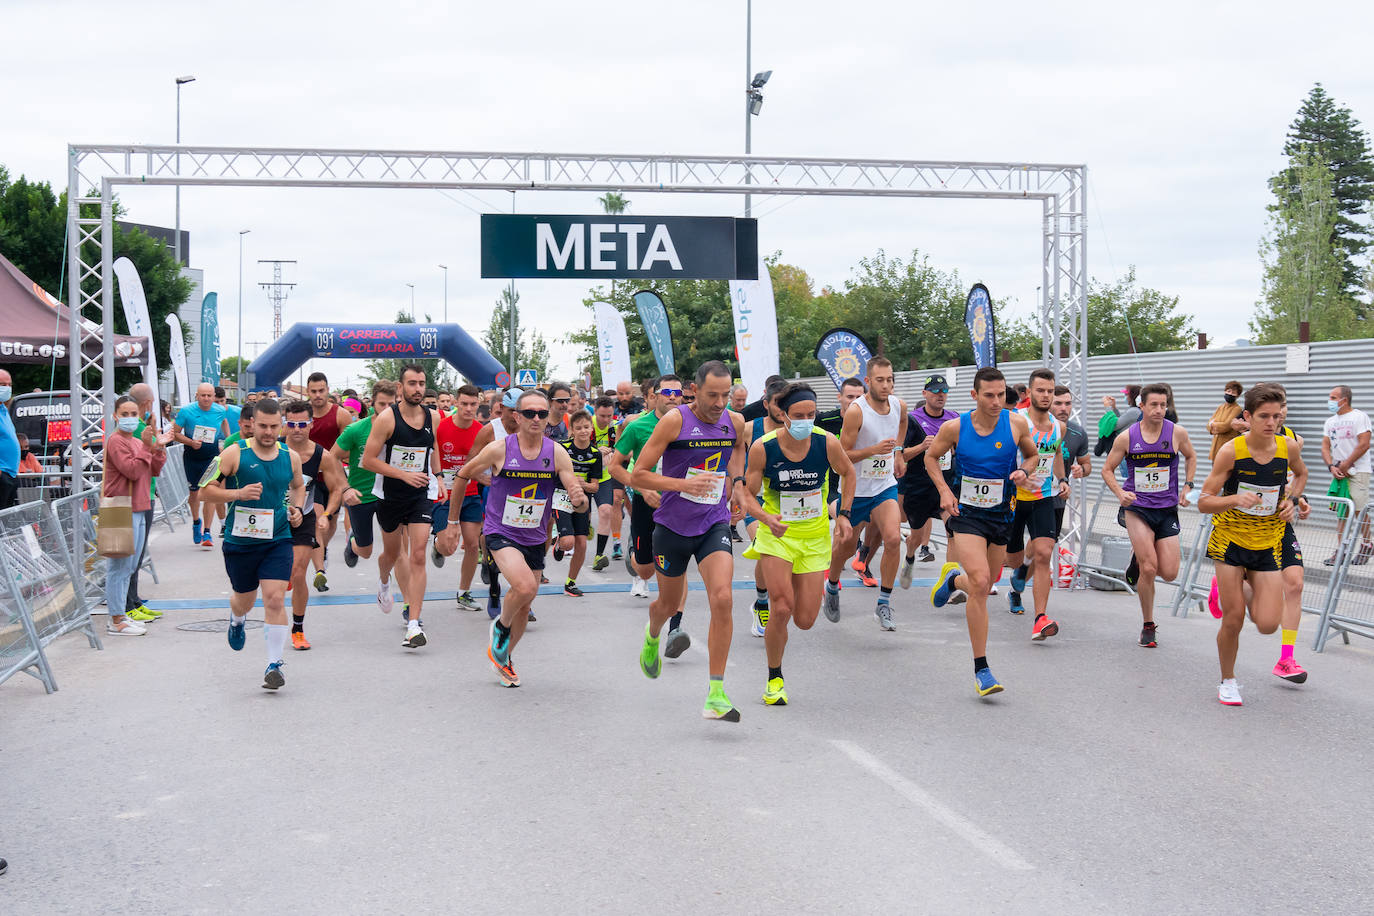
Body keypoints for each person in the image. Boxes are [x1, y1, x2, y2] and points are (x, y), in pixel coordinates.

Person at [632, 360, 748, 721]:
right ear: (693, 391)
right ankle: (653, 636)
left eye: (726, 395)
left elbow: (737, 451)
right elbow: (639, 475)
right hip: (671, 527)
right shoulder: (675, 421)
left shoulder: (735, 421)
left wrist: (738, 484)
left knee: (723, 598)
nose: (720, 403)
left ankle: (716, 692)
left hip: (713, 523)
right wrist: (682, 485)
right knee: (666, 606)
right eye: (712, 395)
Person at [926, 367, 1043, 698]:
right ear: (974, 395)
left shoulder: (1016, 423)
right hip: (966, 514)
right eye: (989, 395)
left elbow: (1033, 456)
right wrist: (945, 493)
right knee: (981, 582)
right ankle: (982, 669)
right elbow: (931, 459)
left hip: (1001, 513)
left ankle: (952, 581)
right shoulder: (955, 428)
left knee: (985, 582)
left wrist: (1022, 470)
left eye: (1001, 395)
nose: (996, 401)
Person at [461, 389, 589, 686]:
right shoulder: (499, 449)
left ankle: (504, 658)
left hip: (534, 535)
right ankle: (501, 627)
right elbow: (465, 473)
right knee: (524, 585)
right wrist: (453, 519)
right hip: (500, 530)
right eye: (529, 413)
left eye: (542, 414)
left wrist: (578, 496)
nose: (536, 418)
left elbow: (572, 487)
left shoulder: (556, 452)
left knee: (526, 599)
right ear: (516, 416)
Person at [740, 384, 856, 705]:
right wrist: (765, 517)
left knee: (804, 620)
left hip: (814, 538)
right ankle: (774, 678)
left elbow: (848, 473)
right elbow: (747, 494)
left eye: (811, 414)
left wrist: (844, 515)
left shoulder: (826, 442)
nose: (806, 420)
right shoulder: (764, 447)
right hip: (778, 536)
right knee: (781, 607)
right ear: (783, 415)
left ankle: (785, 594)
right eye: (798, 415)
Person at [1197, 383, 1307, 707]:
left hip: (1268, 542)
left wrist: (1294, 499)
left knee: (1268, 624)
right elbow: (1203, 501)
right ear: (1248, 416)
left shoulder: (1289, 448)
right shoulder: (1232, 451)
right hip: (1230, 541)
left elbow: (1301, 475)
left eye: (1277, 415)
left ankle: (1240, 588)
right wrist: (1233, 499)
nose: (1271, 422)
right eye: (1264, 416)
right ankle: (1228, 681)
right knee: (1233, 619)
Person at [200, 398, 307, 690]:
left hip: (278, 538)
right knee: (244, 599)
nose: (268, 432)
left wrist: (297, 509)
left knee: (274, 598)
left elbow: (298, 486)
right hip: (241, 542)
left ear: (281, 426)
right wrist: (237, 495)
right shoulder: (234, 453)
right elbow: (203, 491)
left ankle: (274, 664)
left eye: (274, 427)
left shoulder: (290, 456)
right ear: (252, 424)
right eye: (262, 426)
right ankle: (237, 618)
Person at [1100, 383, 1198, 648]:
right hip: (1138, 508)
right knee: (1150, 568)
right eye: (1153, 404)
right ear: (1141, 406)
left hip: (1166, 509)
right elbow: (1107, 469)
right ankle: (1148, 624)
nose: (1159, 410)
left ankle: (1136, 560)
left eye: (1163, 405)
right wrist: (1121, 493)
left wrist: (1188, 485)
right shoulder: (1128, 437)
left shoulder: (1176, 433)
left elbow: (1191, 457)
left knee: (1168, 573)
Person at [362, 365, 447, 648]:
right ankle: (384, 579)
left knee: (419, 553)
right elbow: (368, 461)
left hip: (420, 493)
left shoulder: (433, 417)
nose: (418, 389)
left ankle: (413, 623)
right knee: (392, 552)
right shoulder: (387, 419)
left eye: (422, 383)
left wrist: (438, 477)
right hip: (390, 495)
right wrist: (402, 474)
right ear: (401, 388)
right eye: (412, 383)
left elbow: (431, 451)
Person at [609, 379, 693, 661]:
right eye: (666, 392)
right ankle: (635, 550)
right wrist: (643, 488)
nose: (672, 397)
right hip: (647, 502)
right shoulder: (637, 427)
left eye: (677, 393)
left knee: (677, 568)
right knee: (645, 571)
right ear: (653, 397)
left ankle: (675, 629)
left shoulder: (692, 424)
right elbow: (615, 466)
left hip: (679, 505)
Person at [821, 357, 908, 631]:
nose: (886, 385)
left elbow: (903, 424)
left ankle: (883, 602)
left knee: (893, 538)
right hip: (856, 487)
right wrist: (873, 450)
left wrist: (898, 452)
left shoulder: (898, 405)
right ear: (868, 381)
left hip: (884, 485)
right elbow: (841, 455)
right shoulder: (857, 412)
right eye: (880, 380)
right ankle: (832, 585)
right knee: (846, 546)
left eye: (890, 379)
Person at [1002, 369, 1069, 638]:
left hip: (1044, 497)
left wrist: (1062, 479)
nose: (1046, 395)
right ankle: (1018, 574)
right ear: (1029, 393)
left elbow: (1055, 456)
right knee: (1013, 559)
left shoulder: (1058, 426)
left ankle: (1040, 618)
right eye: (1040, 390)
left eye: (1050, 391)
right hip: (1015, 499)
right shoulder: (1016, 422)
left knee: (1044, 554)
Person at [281, 400, 351, 650]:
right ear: (284, 424)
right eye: (291, 424)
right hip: (274, 519)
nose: (297, 429)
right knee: (281, 576)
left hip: (306, 516)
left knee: (298, 573)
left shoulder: (323, 455)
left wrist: (327, 514)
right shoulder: (274, 449)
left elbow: (336, 489)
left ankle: (297, 629)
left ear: (311, 425)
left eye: (302, 424)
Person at [332, 381, 407, 614]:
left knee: (400, 551)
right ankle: (353, 544)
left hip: (392, 495)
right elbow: (332, 457)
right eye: (381, 404)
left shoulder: (403, 428)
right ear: (372, 403)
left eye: (391, 404)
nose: (386, 409)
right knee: (365, 551)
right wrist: (345, 489)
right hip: (361, 495)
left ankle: (409, 606)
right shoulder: (357, 429)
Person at [102, 396, 170, 635]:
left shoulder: (136, 441)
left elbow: (154, 469)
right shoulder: (116, 441)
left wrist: (157, 447)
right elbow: (131, 470)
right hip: (121, 507)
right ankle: (116, 619)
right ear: (115, 416)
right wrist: (146, 446)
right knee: (119, 566)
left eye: (134, 414)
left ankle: (122, 614)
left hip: (140, 506)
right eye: (125, 414)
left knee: (130, 566)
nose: (130, 418)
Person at [899, 375, 959, 584]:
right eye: (935, 391)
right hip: (919, 488)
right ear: (925, 394)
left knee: (953, 529)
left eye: (943, 391)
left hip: (945, 487)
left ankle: (950, 581)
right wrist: (923, 447)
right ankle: (909, 556)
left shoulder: (954, 419)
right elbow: (902, 455)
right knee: (916, 537)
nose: (940, 395)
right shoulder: (912, 420)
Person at [742, 377, 790, 636]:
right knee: (763, 547)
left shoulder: (798, 427)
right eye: (778, 403)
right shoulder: (750, 428)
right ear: (766, 403)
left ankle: (772, 597)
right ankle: (762, 603)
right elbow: (735, 456)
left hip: (787, 501)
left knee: (782, 556)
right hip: (756, 499)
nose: (783, 409)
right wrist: (735, 490)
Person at [432, 385, 486, 609]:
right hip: (445, 494)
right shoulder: (441, 427)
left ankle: (464, 592)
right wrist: (436, 479)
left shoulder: (481, 431)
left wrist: (484, 477)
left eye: (473, 404)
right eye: (464, 404)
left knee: (472, 545)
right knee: (448, 547)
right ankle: (437, 546)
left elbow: (486, 461)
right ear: (456, 403)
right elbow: (431, 457)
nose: (468, 408)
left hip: (471, 493)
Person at [305, 372, 352, 592]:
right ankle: (319, 571)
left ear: (327, 389)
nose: (317, 395)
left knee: (330, 522)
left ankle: (321, 549)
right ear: (308, 392)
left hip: (334, 477)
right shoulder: (302, 416)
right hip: (309, 478)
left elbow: (349, 447)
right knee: (316, 517)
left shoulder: (341, 415)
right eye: (313, 391)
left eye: (321, 390)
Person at [123, 383, 165, 623]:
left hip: (146, 494)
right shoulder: (138, 431)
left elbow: (156, 463)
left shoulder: (144, 429)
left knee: (137, 553)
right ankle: (128, 604)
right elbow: (137, 465)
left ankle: (134, 599)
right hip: (137, 497)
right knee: (132, 555)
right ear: (147, 404)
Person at [173, 382, 230, 549]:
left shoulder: (220, 410)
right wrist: (190, 442)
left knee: (209, 493)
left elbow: (224, 422)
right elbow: (175, 433)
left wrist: (227, 440)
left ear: (214, 397)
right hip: (192, 457)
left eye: (209, 396)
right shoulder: (186, 411)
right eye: (202, 395)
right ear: (197, 396)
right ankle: (196, 521)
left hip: (211, 457)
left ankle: (207, 531)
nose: (206, 399)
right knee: (195, 495)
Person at [1322, 384, 1372, 564]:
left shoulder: (1359, 417)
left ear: (1344, 400)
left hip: (1358, 471)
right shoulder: (1330, 421)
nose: (1330, 401)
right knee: (1342, 511)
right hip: (1339, 472)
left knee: (1359, 509)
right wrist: (1331, 466)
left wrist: (1347, 463)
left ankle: (1367, 544)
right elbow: (1325, 446)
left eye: (1333, 398)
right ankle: (1342, 549)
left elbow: (1364, 444)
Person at [554, 410, 602, 596]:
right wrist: (568, 481)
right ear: (572, 430)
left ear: (591, 428)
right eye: (578, 428)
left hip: (582, 501)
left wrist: (583, 485)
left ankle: (570, 583)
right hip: (561, 497)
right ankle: (560, 543)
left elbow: (595, 487)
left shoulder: (595, 454)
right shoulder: (562, 447)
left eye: (586, 427)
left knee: (581, 544)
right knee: (568, 542)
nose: (583, 431)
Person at [1050, 385, 1092, 537]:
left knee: (1045, 549)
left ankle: (1026, 561)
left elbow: (1087, 465)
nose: (1064, 408)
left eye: (1068, 404)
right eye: (1058, 403)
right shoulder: (1031, 428)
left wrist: (1082, 470)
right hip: (1029, 496)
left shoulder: (1078, 433)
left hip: (1057, 497)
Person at [589, 396, 624, 568]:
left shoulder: (615, 427)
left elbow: (623, 449)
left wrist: (614, 454)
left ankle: (599, 555)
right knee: (582, 520)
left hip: (603, 477)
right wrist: (595, 450)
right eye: (602, 416)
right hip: (582, 477)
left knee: (605, 511)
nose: (606, 420)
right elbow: (572, 447)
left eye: (609, 416)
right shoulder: (587, 425)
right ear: (595, 412)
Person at [1207, 381, 1246, 462]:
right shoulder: (1221, 407)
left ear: (1238, 395)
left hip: (1227, 447)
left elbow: (1226, 426)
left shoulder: (1237, 409)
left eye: (1233, 392)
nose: (1230, 394)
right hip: (1215, 447)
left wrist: (1213, 424)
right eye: (1228, 391)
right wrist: (1212, 425)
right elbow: (1208, 425)